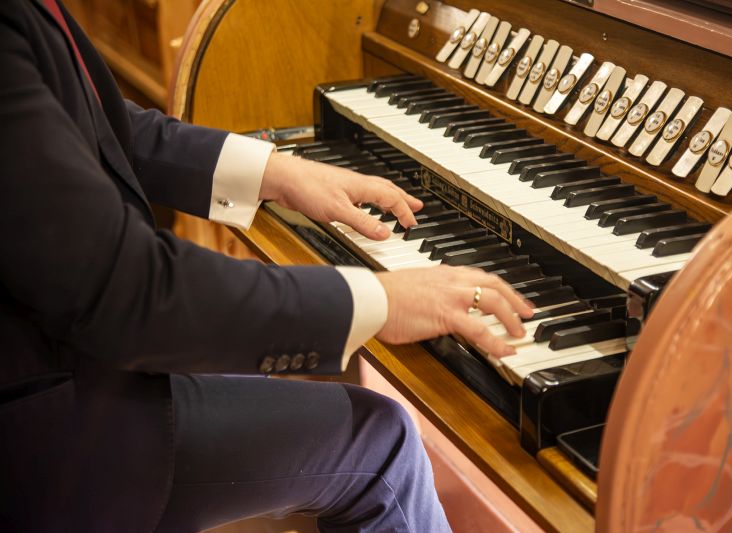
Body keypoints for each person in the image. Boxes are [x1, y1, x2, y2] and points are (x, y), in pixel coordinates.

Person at [0, 1, 533, 531]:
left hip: (64, 360)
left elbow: (101, 129)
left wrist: (278, 173)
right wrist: (381, 302)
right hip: (51, 434)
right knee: (382, 443)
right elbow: (130, 289)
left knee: (281, 382)